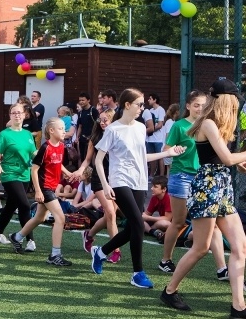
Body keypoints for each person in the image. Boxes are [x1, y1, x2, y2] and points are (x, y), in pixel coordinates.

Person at [160, 79, 246, 319]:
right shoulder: (207, 123)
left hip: (221, 186)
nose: (237, 105)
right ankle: (169, 291)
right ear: (226, 100)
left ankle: (238, 306)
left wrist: (240, 165)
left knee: (240, 246)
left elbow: (225, 160)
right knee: (200, 247)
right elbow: (227, 158)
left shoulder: (216, 125)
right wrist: (237, 159)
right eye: (235, 100)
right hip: (207, 187)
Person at [90, 88, 184, 289]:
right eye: (139, 104)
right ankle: (137, 273)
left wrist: (169, 153)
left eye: (142, 104)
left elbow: (142, 157)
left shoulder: (141, 128)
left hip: (139, 181)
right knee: (139, 224)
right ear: (127, 105)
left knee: (134, 226)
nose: (142, 108)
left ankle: (101, 252)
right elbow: (98, 160)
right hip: (119, 181)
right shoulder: (113, 129)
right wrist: (106, 185)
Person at [158, 90, 228, 278]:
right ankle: (165, 260)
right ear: (188, 106)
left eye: (203, 105)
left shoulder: (209, 125)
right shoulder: (179, 126)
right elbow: (166, 151)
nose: (199, 108)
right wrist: (174, 150)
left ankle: (222, 269)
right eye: (196, 104)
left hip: (204, 179)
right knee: (179, 221)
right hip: (182, 176)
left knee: (213, 225)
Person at [9, 117, 75, 266]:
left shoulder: (61, 146)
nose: (64, 132)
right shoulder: (46, 147)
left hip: (51, 187)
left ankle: (17, 237)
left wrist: (67, 173)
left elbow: (57, 164)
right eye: (61, 129)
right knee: (60, 218)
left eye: (64, 129)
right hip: (45, 188)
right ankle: (55, 254)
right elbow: (34, 169)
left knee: (40, 218)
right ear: (51, 131)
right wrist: (38, 191)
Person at [75, 109, 121, 262]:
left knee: (110, 214)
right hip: (99, 179)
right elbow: (88, 160)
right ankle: (116, 250)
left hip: (116, 179)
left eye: (105, 120)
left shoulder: (120, 134)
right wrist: (80, 170)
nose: (102, 123)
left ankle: (89, 234)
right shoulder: (95, 138)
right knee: (111, 213)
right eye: (100, 120)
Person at [0, 102, 38, 248]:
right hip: (9, 174)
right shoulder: (4, 134)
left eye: (19, 112)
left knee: (11, 205)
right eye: (14, 113)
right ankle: (28, 239)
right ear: (10, 116)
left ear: (25, 115)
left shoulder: (28, 134)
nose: (17, 115)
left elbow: (34, 153)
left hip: (25, 174)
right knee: (24, 205)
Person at [145, 93, 167, 177]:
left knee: (160, 157)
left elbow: (160, 124)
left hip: (158, 139)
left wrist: (151, 130)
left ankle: (161, 175)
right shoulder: (150, 111)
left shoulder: (161, 110)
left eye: (150, 99)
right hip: (150, 139)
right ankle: (151, 175)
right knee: (152, 157)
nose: (148, 100)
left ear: (155, 100)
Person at [75, 92, 99, 163]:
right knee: (83, 156)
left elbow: (97, 124)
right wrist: (77, 137)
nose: (81, 102)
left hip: (92, 138)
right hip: (82, 138)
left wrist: (93, 136)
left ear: (88, 100)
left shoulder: (93, 111)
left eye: (83, 100)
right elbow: (80, 126)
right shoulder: (80, 112)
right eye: (80, 100)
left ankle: (92, 173)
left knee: (92, 157)